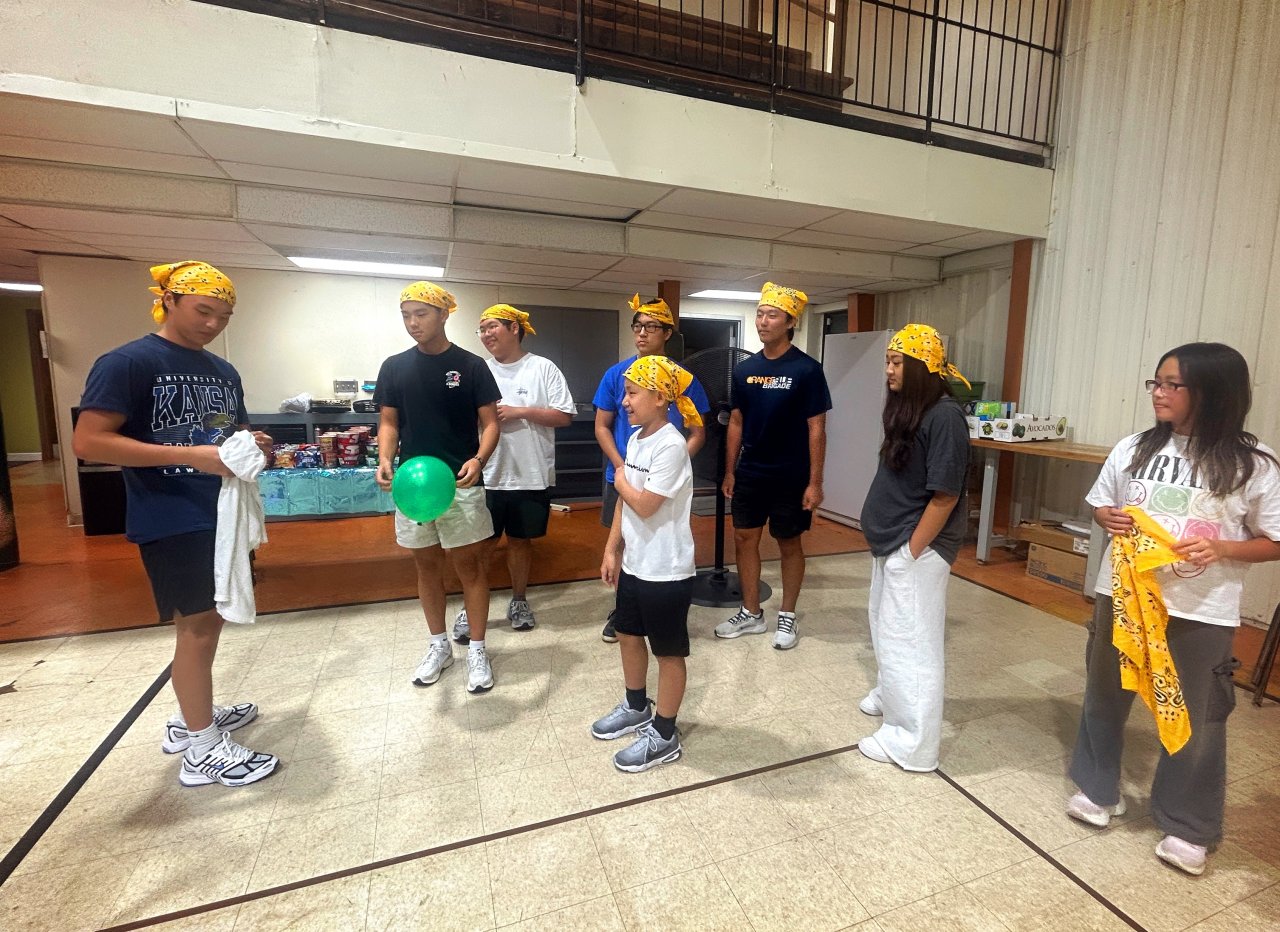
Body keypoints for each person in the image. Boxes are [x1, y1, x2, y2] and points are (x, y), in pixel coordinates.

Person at [1069, 342, 1280, 876]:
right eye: (1155, 382)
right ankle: (1097, 786)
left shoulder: (1253, 463)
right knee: (1105, 694)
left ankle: (1188, 823)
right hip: (1123, 596)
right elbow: (1100, 504)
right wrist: (1106, 518)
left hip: (1201, 608)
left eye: (1171, 384)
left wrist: (1223, 548)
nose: (1158, 393)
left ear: (1212, 392)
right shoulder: (1134, 447)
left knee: (1196, 715)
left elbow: (1275, 540)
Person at [73, 261, 277, 788]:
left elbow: (232, 433)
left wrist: (253, 445)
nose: (212, 324)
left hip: (222, 513)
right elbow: (89, 441)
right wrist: (190, 455)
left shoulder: (223, 371)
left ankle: (194, 716)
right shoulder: (128, 362)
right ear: (168, 300)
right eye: (203, 311)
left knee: (211, 621)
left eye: (224, 317)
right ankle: (201, 748)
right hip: (170, 514)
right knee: (197, 627)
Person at [374, 282, 501, 693]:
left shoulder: (471, 366)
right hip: (413, 487)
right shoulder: (394, 367)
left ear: (444, 315)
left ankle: (477, 649)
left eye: (421, 314)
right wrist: (385, 459)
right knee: (426, 567)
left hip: (461, 483)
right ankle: (438, 645)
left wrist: (478, 459)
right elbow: (389, 422)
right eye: (406, 315)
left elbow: (491, 423)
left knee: (471, 568)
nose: (413, 323)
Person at [856, 324, 970, 772]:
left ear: (922, 367)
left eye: (897, 362)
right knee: (887, 630)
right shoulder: (912, 409)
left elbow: (946, 495)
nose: (888, 370)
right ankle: (892, 694)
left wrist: (912, 552)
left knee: (912, 643)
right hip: (893, 542)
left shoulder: (945, 417)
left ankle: (913, 744)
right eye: (888, 361)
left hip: (916, 548)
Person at [593, 356, 700, 771]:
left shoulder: (671, 446)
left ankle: (666, 734)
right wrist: (612, 549)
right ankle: (636, 706)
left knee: (668, 653)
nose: (624, 402)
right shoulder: (637, 439)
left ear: (659, 398)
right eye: (625, 393)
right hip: (635, 565)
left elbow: (646, 504)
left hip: (666, 571)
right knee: (627, 633)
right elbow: (625, 503)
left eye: (632, 393)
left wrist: (619, 478)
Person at [715, 283, 831, 649]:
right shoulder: (744, 370)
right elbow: (736, 421)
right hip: (751, 471)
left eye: (772, 315)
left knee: (789, 542)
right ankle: (751, 613)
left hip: (792, 474)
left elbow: (817, 428)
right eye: (760, 314)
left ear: (790, 322)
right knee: (743, 538)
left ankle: (787, 615)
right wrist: (730, 470)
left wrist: (815, 482)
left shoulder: (807, 370)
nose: (763, 322)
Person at [451, 304, 574, 637]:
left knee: (521, 542)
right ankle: (470, 608)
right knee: (481, 546)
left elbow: (564, 415)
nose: (486, 334)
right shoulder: (477, 370)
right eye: (481, 329)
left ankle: (519, 600)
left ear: (514, 328)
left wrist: (520, 411)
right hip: (486, 474)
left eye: (492, 326)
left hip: (531, 473)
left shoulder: (542, 368)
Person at [593, 294, 709, 642]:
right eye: (637, 326)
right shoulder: (616, 374)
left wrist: (670, 464)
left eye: (651, 326)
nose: (642, 333)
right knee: (622, 540)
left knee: (660, 537)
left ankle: (662, 605)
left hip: (661, 480)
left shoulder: (682, 379)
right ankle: (624, 609)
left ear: (667, 333)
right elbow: (602, 426)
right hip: (622, 473)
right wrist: (623, 468)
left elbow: (697, 432)